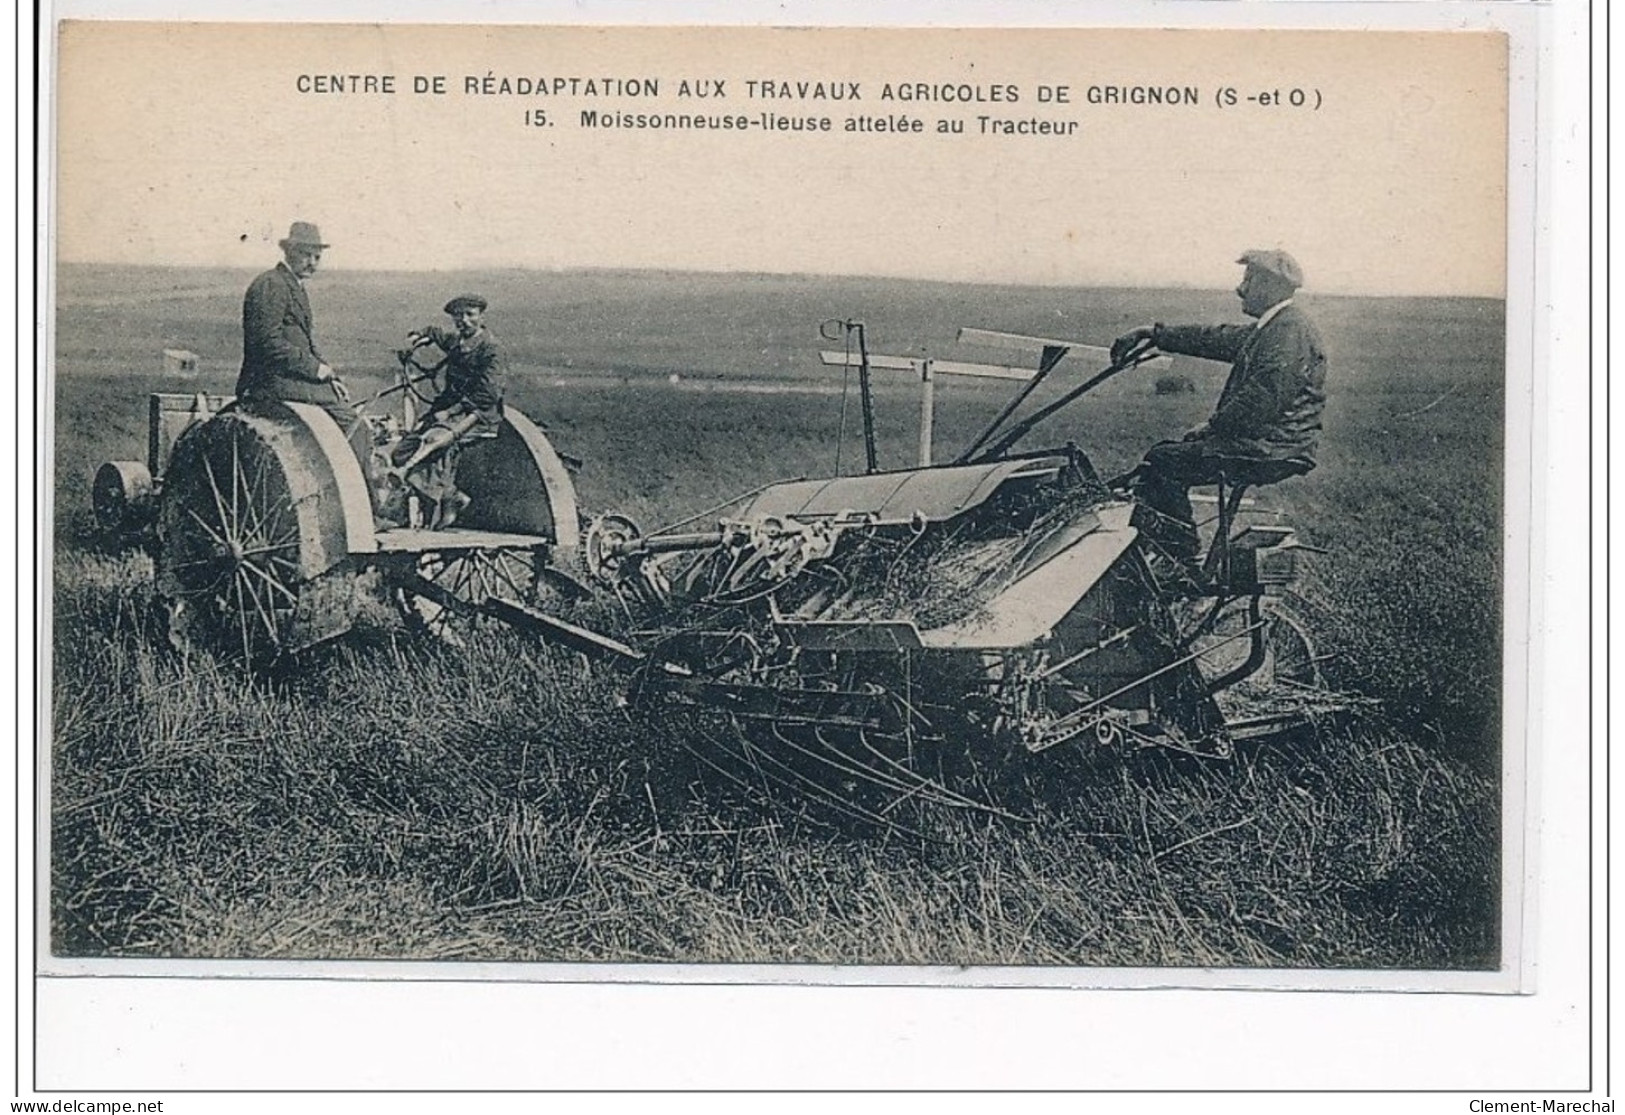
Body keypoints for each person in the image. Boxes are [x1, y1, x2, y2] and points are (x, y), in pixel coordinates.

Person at [1110, 248, 1327, 567]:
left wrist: (1213, 427)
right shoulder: (1275, 326)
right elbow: (1215, 338)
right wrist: (1154, 335)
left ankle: (1182, 559)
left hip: (1272, 447)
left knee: (1163, 460)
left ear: (1269, 286)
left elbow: (1262, 397)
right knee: (1170, 456)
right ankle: (1171, 553)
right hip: (1272, 443)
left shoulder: (1287, 331)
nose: (1241, 289)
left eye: (1248, 279)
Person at [389, 294, 506, 529]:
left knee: (432, 442)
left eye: (470, 314)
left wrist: (452, 411)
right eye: (458, 316)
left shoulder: (491, 349)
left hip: (478, 414)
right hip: (447, 411)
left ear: (481, 317)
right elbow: (436, 333)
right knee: (403, 450)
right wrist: (418, 335)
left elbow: (488, 394)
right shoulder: (457, 343)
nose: (464, 320)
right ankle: (452, 496)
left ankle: (434, 505)